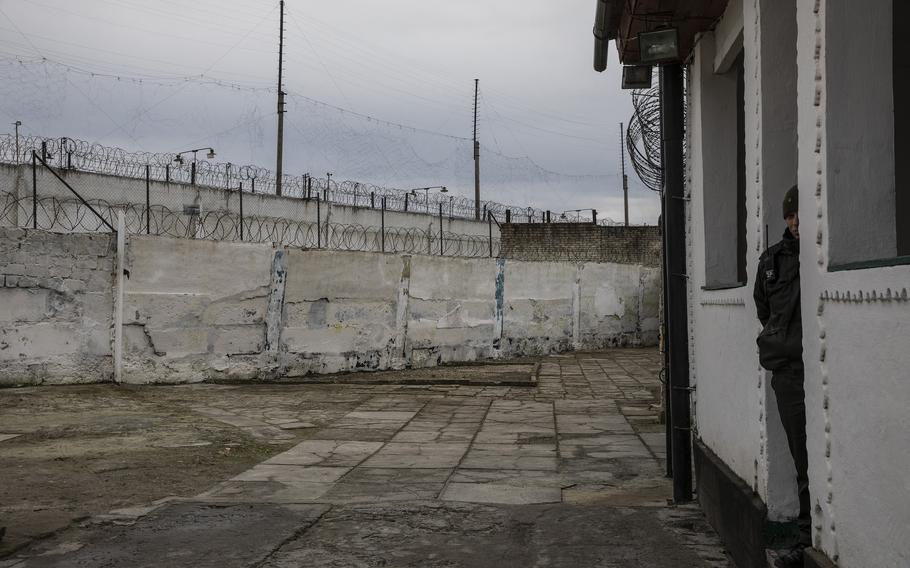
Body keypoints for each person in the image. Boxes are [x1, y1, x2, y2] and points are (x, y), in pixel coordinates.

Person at [753, 185, 809, 568]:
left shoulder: (818, 252)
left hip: (817, 365)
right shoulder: (772, 261)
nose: (795, 221)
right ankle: (806, 529)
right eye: (790, 215)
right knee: (800, 449)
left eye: (800, 213)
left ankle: (809, 528)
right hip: (788, 370)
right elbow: (763, 307)